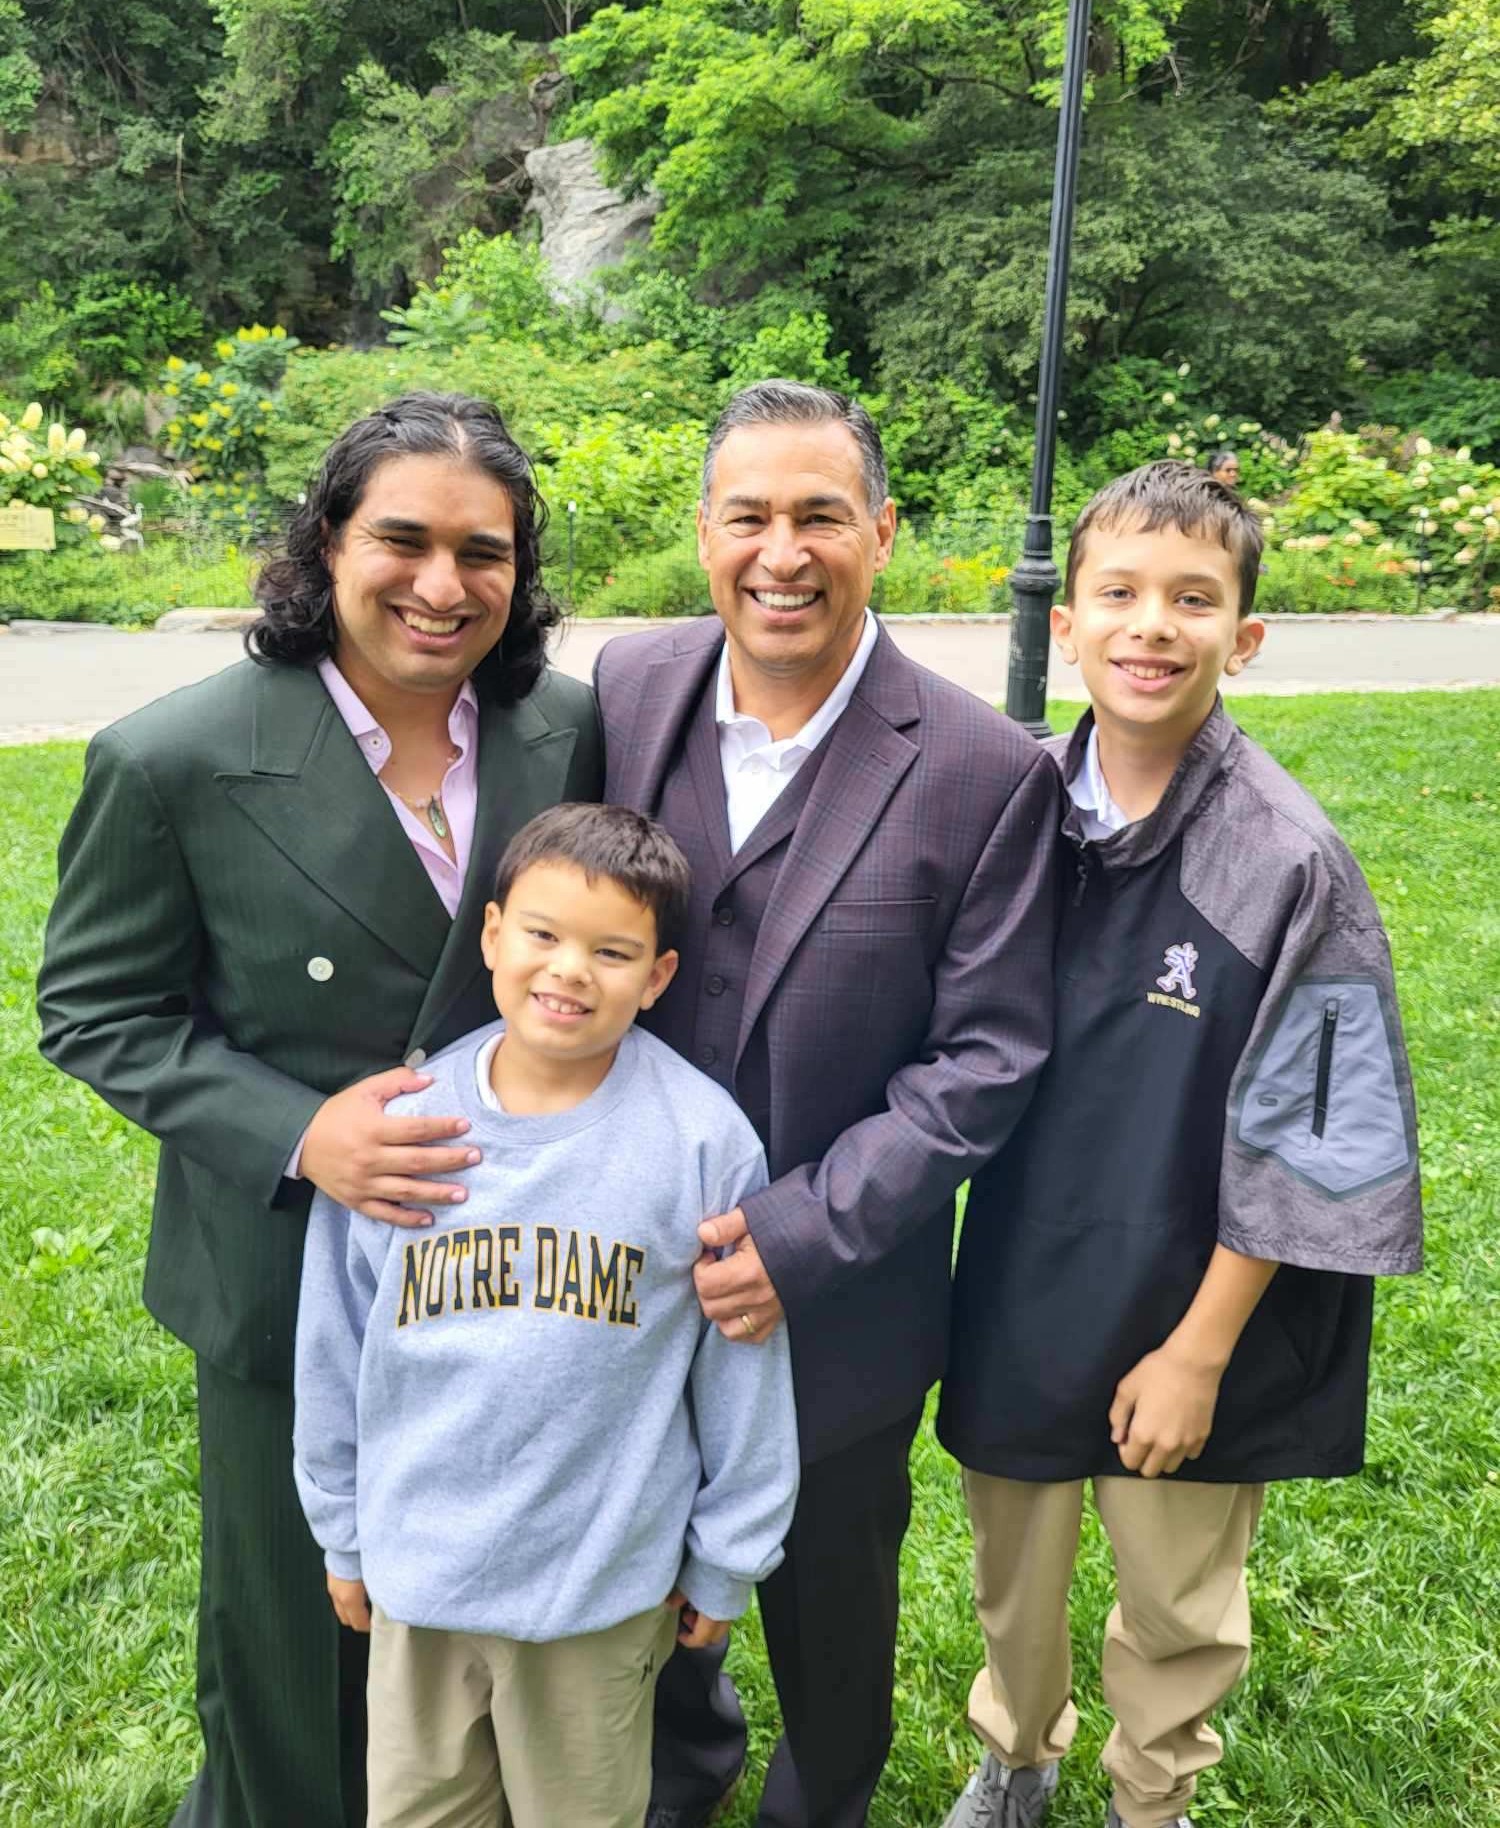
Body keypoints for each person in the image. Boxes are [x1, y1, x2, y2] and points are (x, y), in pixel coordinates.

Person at [36, 392, 602, 1828]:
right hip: (287, 1282)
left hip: (522, 1272)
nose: (441, 584)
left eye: (485, 553)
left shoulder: (571, 732)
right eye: (399, 541)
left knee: (495, 1605)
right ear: (325, 545)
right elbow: (97, 1013)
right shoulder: (174, 760)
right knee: (299, 1642)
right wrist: (301, 1134)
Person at [595, 379, 1062, 1828]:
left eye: (819, 516)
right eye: (749, 516)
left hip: (840, 1291)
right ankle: (680, 1771)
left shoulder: (986, 765)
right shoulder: (625, 688)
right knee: (641, 1541)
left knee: (829, 1582)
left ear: (884, 531)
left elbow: (984, 1056)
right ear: (703, 531)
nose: (780, 554)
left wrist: (804, 1235)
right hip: (621, 1261)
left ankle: (826, 1791)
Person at [938, 460, 1423, 1828]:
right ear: (1067, 623)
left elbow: (1319, 1138)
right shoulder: (1011, 811)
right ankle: (1015, 1757)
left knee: (1176, 1596)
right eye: (1122, 594)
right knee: (1012, 1567)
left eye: (1194, 600)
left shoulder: (1288, 862)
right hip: (1029, 1279)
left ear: (1245, 638)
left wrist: (1200, 1351)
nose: (1154, 625)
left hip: (1200, 1303)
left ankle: (1153, 1798)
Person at [293, 801, 799, 1828]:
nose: (570, 970)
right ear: (490, 935)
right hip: (420, 1578)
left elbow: (740, 1367)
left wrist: (728, 1552)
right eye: (542, 935)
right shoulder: (404, 1128)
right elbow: (333, 1342)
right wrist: (343, 1534)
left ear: (657, 976)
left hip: (597, 1593)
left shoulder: (702, 1141)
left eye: (612, 951)